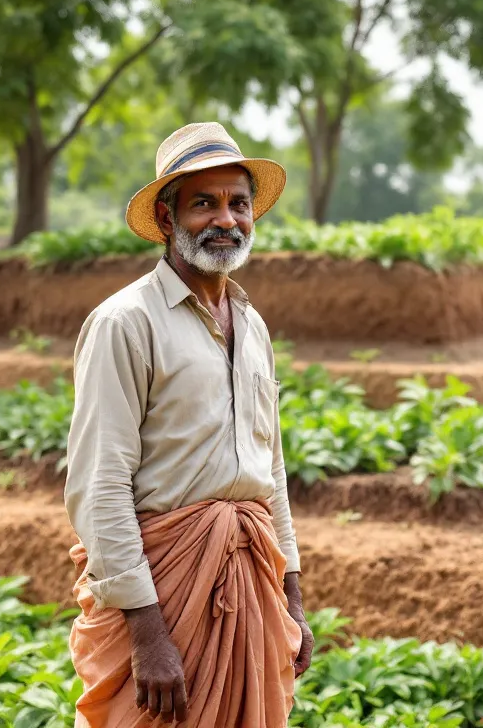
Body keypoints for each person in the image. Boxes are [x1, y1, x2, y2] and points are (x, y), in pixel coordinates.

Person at [64, 122, 310, 727]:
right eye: (204, 204)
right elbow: (100, 484)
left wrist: (293, 596)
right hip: (164, 592)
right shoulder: (125, 323)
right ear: (167, 217)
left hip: (249, 582)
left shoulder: (252, 325)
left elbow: (271, 471)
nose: (226, 220)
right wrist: (148, 632)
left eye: (238, 204)